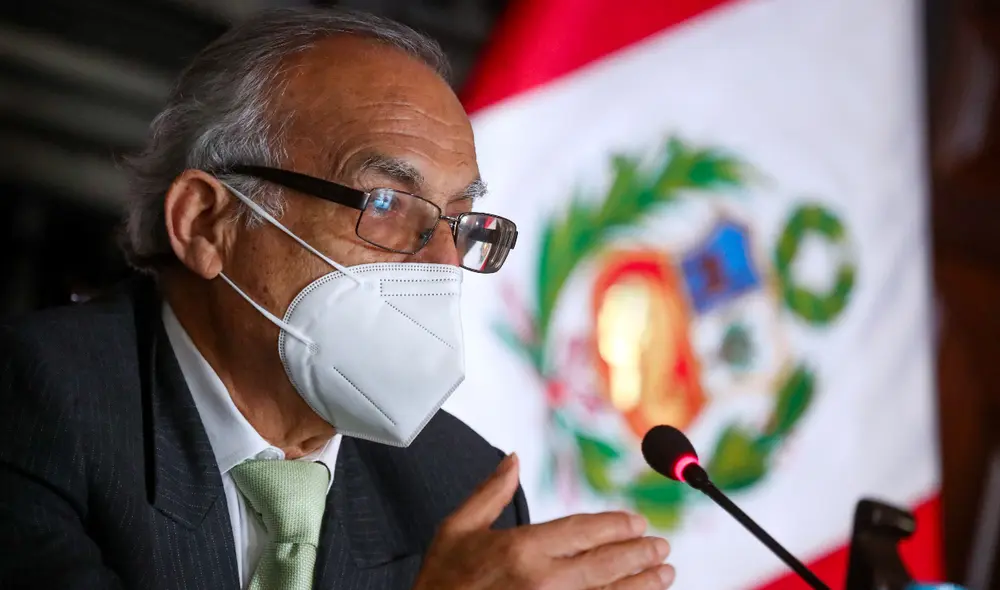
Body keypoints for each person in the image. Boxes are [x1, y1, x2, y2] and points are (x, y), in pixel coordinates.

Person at [0, 8, 676, 590]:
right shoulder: (33, 405)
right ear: (207, 223)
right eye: (386, 205)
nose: (443, 264)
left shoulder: (461, 489)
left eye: (461, 222)